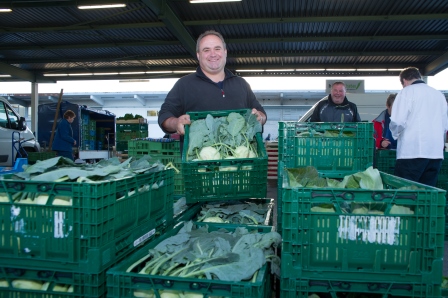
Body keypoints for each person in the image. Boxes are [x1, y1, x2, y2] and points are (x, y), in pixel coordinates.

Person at [158, 30, 267, 142]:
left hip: (241, 157)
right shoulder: (184, 84)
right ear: (198, 55)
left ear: (225, 52)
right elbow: (164, 116)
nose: (213, 54)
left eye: (217, 49)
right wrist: (176, 123)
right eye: (206, 50)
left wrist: (260, 117)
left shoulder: (241, 84)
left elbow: (260, 113)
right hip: (200, 158)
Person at [389, 66, 448, 187]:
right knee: (427, 194)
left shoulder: (407, 92)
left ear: (404, 81)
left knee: (406, 193)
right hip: (435, 153)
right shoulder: (438, 95)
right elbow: (445, 125)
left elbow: (398, 121)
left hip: (412, 151)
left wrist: (395, 134)